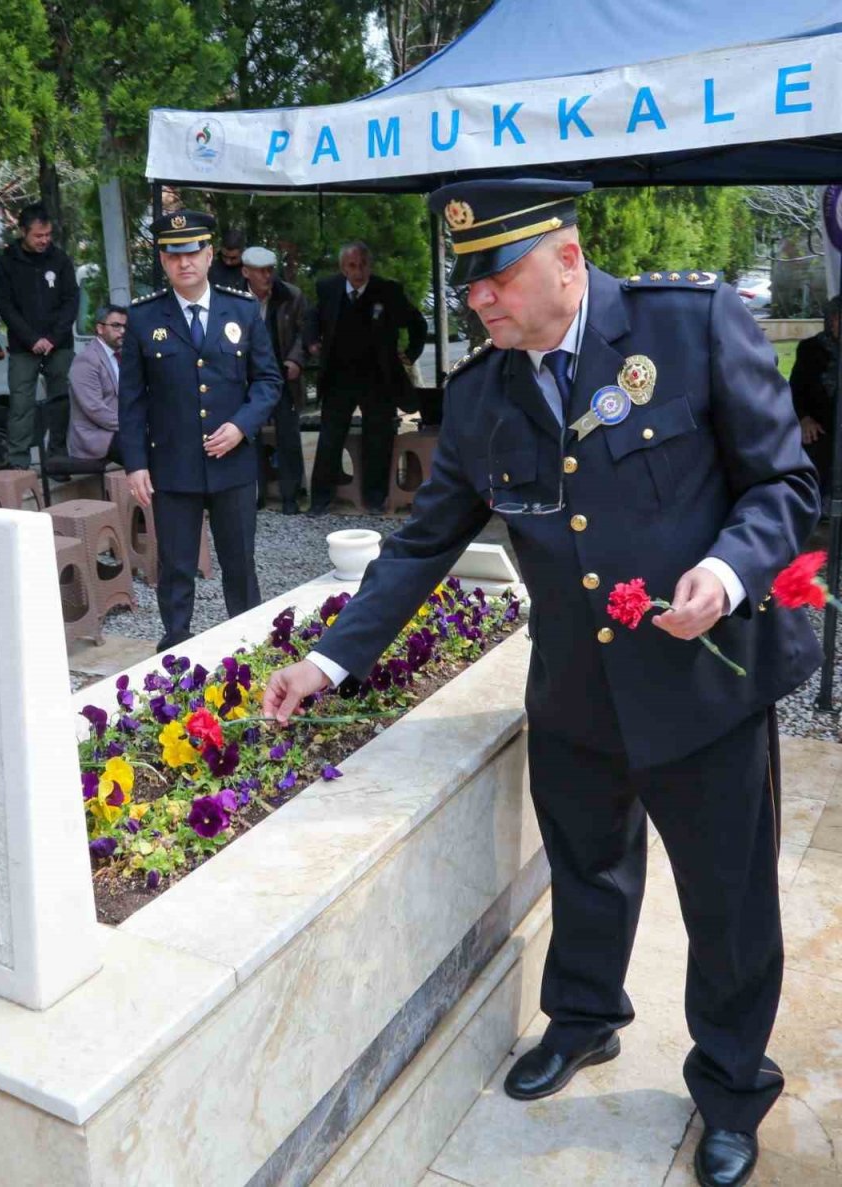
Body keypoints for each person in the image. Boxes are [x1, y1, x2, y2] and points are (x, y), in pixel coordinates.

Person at [262, 179, 821, 1187]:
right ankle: (583, 1018)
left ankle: (731, 1082)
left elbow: (782, 484)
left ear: (566, 258)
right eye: (467, 282)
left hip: (699, 684)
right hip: (575, 687)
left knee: (727, 905)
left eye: (497, 275)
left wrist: (731, 569)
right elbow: (422, 541)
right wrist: (331, 656)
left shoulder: (688, 326)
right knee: (586, 870)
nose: (478, 299)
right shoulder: (481, 394)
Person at [119, 210, 281, 651]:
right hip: (173, 464)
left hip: (232, 461)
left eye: (192, 252)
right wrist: (135, 464)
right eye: (174, 255)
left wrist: (242, 426)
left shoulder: (242, 311)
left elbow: (268, 381)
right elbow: (131, 399)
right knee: (174, 564)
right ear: (163, 260)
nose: (184, 262)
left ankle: (250, 644)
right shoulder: (143, 318)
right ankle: (175, 648)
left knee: (239, 562)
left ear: (209, 255)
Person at [305, 242, 427, 515]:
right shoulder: (328, 289)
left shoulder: (388, 291)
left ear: (369, 266)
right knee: (330, 439)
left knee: (378, 439)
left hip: (378, 377)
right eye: (351, 266)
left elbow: (418, 323)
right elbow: (312, 318)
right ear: (342, 268)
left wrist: (410, 354)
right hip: (339, 376)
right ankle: (320, 500)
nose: (358, 271)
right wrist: (312, 343)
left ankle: (375, 498)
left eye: (362, 265)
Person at [0, 204, 78, 470]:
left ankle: (58, 459)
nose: (44, 241)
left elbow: (71, 300)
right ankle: (18, 462)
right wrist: (32, 339)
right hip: (22, 346)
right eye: (38, 236)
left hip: (59, 343)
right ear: (23, 232)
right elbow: (5, 305)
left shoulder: (60, 259)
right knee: (21, 403)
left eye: (47, 235)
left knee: (61, 400)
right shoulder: (7, 262)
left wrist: (53, 338)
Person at [241, 246, 308, 514]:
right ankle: (255, 494)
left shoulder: (291, 295)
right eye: (260, 271)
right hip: (246, 377)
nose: (267, 275)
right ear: (246, 272)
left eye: (270, 270)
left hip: (282, 375)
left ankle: (291, 496)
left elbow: (306, 332)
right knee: (248, 435)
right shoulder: (232, 298)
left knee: (288, 436)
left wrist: (296, 359)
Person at [789, 294, 840, 499]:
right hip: (821, 425)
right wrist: (803, 419)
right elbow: (795, 391)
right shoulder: (811, 349)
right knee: (817, 446)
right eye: (836, 317)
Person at [67, 304, 125, 463]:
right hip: (96, 436)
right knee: (147, 451)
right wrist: (133, 424)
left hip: (118, 429)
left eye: (125, 326)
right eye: (116, 326)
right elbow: (94, 409)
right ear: (99, 328)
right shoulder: (86, 360)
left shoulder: (121, 356)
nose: (123, 331)